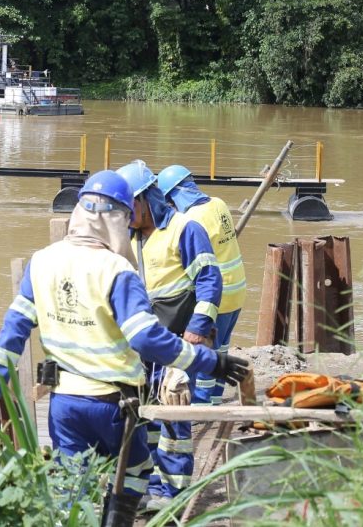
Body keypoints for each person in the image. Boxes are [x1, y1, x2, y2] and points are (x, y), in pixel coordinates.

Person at [0, 170, 248, 526]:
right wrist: (211, 363)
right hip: (113, 404)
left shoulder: (41, 261)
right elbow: (145, 338)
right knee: (133, 475)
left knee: (72, 486)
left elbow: (14, 330)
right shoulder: (116, 270)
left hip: (64, 404)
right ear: (117, 218)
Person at [116, 160, 222, 509]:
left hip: (179, 341)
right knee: (145, 415)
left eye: (128, 206)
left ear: (147, 199)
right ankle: (151, 484)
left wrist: (196, 330)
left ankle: (174, 493)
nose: (124, 214)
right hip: (146, 342)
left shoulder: (184, 229)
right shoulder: (129, 238)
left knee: (174, 411)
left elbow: (209, 281)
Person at [157, 164, 246, 406]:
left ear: (175, 194)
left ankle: (202, 404)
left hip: (218, 296)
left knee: (205, 353)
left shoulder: (191, 219)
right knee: (221, 349)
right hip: (237, 291)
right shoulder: (218, 203)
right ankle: (215, 398)